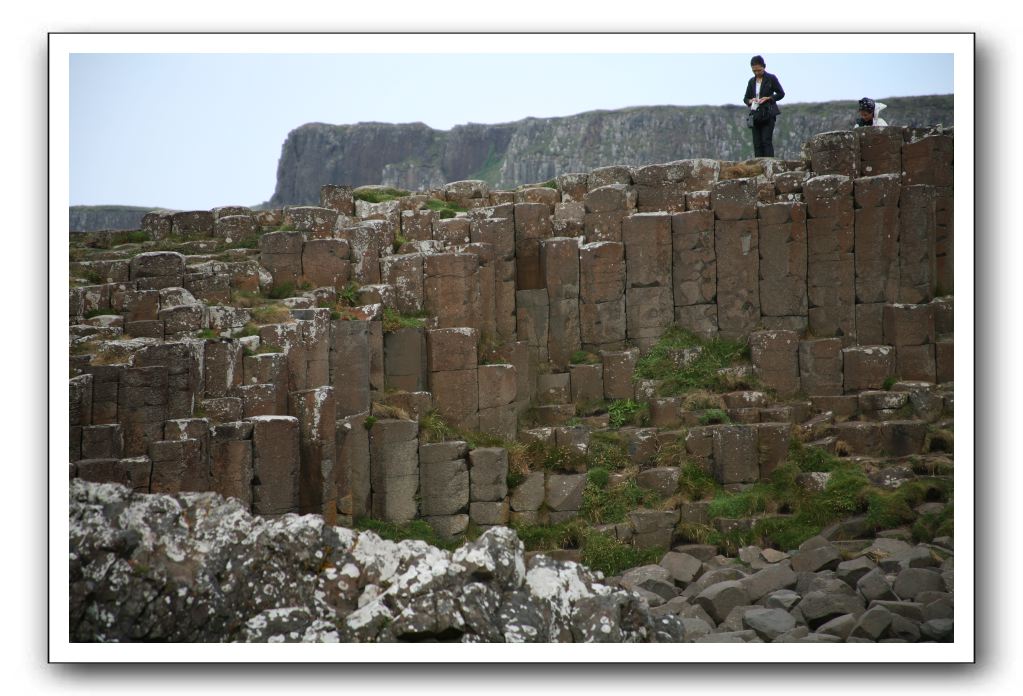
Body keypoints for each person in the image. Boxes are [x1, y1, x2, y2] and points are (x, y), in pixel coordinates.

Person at [743, 55, 785, 157]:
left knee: (766, 141)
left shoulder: (771, 78)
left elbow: (781, 93)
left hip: (768, 113)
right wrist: (750, 100)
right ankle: (758, 167)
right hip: (755, 114)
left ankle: (769, 166)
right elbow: (745, 98)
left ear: (764, 66)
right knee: (757, 143)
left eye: (759, 70)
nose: (757, 73)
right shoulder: (751, 81)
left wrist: (769, 98)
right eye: (754, 71)